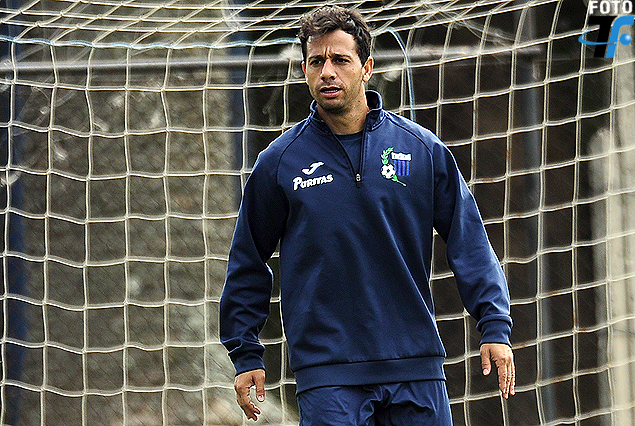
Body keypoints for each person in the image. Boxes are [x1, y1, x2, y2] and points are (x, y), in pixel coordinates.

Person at [220, 5, 515, 425]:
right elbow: (248, 259)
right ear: (304, 70)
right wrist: (246, 351)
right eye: (316, 62)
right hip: (329, 377)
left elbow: (470, 242)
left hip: (415, 369)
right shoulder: (280, 162)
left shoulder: (421, 150)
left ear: (367, 68)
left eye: (340, 60)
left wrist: (494, 323)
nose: (327, 72)